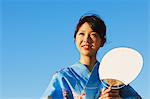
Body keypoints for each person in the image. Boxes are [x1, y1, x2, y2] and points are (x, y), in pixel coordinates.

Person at [42, 14, 142, 99]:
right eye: (81, 33)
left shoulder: (113, 76)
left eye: (93, 34)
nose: (86, 39)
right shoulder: (63, 77)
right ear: (75, 39)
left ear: (102, 41)